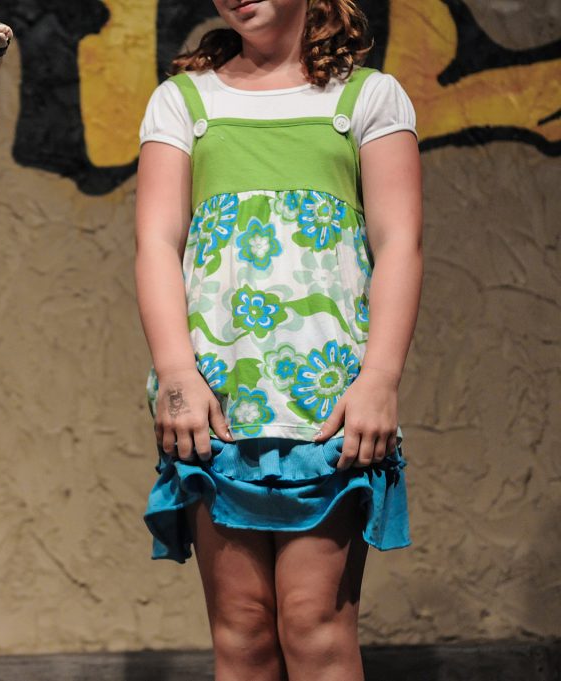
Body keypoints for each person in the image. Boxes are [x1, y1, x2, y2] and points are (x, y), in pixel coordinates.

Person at [135, 1, 421, 679]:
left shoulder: (366, 97)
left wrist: (379, 378)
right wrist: (177, 374)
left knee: (314, 626)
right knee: (242, 634)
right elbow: (156, 243)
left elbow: (400, 242)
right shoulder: (185, 103)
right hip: (219, 405)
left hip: (327, 408)